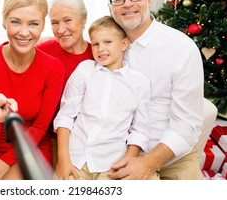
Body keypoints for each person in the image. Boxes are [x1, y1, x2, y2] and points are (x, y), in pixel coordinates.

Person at [106, 0, 204, 180]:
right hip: (118, 153)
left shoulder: (181, 49)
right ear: (110, 8)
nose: (127, 4)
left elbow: (187, 124)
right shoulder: (106, 45)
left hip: (172, 157)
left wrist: (148, 163)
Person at [0, 0, 65, 180]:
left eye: (33, 24)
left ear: (42, 25)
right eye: (15, 22)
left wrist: (1, 165)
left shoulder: (53, 68)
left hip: (33, 145)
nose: (24, 32)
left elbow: (39, 127)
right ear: (4, 22)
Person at [54, 16, 153, 180]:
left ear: (123, 45)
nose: (101, 49)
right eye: (96, 44)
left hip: (111, 164)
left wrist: (128, 160)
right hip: (76, 158)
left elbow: (140, 130)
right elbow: (65, 117)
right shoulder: (85, 70)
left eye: (107, 42)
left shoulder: (139, 83)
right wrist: (63, 159)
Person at [36, 0, 94, 168]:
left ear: (84, 20)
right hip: (49, 138)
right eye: (54, 22)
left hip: (87, 142)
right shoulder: (42, 51)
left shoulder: (98, 55)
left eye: (67, 20)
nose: (60, 30)